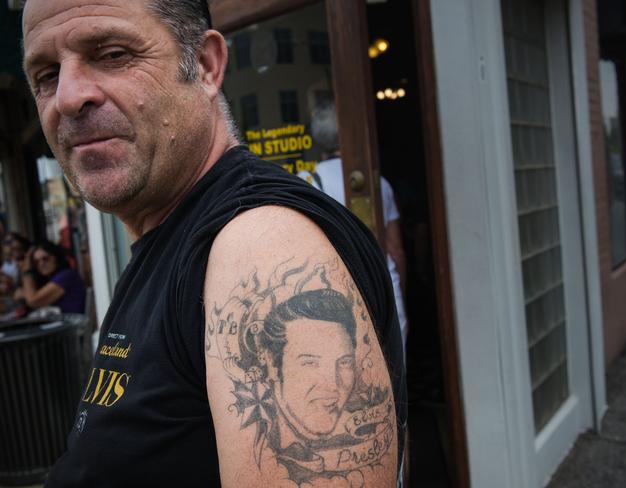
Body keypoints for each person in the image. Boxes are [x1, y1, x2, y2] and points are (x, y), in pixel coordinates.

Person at [22, 0, 406, 486]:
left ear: (204, 66)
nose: (68, 96)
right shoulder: (166, 237)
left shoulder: (261, 244)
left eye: (113, 53)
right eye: (46, 75)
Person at [299, 103, 409, 346]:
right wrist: (400, 288)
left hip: (337, 297)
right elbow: (396, 249)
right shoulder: (376, 182)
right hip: (384, 290)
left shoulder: (305, 184)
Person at [15, 240, 86, 314]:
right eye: (36, 262)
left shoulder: (67, 275)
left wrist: (27, 271)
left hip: (74, 323)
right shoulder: (50, 278)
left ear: (56, 257)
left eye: (45, 259)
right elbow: (17, 295)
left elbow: (33, 301)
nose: (41, 264)